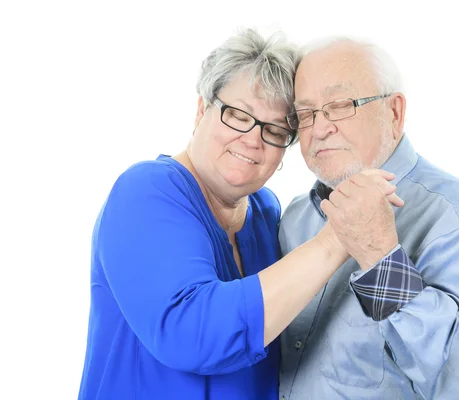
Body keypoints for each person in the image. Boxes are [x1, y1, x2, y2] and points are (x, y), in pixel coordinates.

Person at [77, 29, 400, 400]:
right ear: (201, 111)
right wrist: (337, 237)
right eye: (237, 115)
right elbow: (192, 335)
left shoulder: (267, 213)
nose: (253, 139)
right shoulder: (146, 191)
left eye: (276, 129)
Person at [279, 37, 459, 399]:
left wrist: (380, 258)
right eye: (306, 113)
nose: (319, 128)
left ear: (394, 112)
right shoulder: (295, 218)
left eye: (341, 105)